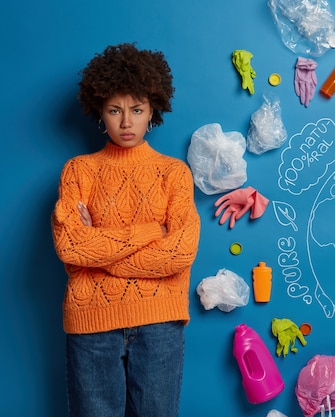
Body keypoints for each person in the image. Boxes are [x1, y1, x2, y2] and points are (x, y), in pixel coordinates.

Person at [51, 43, 201, 417]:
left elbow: (179, 253)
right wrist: (150, 231)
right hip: (91, 325)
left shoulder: (174, 173)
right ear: (100, 112)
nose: (126, 122)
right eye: (115, 110)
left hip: (159, 325)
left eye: (136, 110)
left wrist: (98, 252)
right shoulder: (78, 171)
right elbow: (71, 246)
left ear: (153, 111)